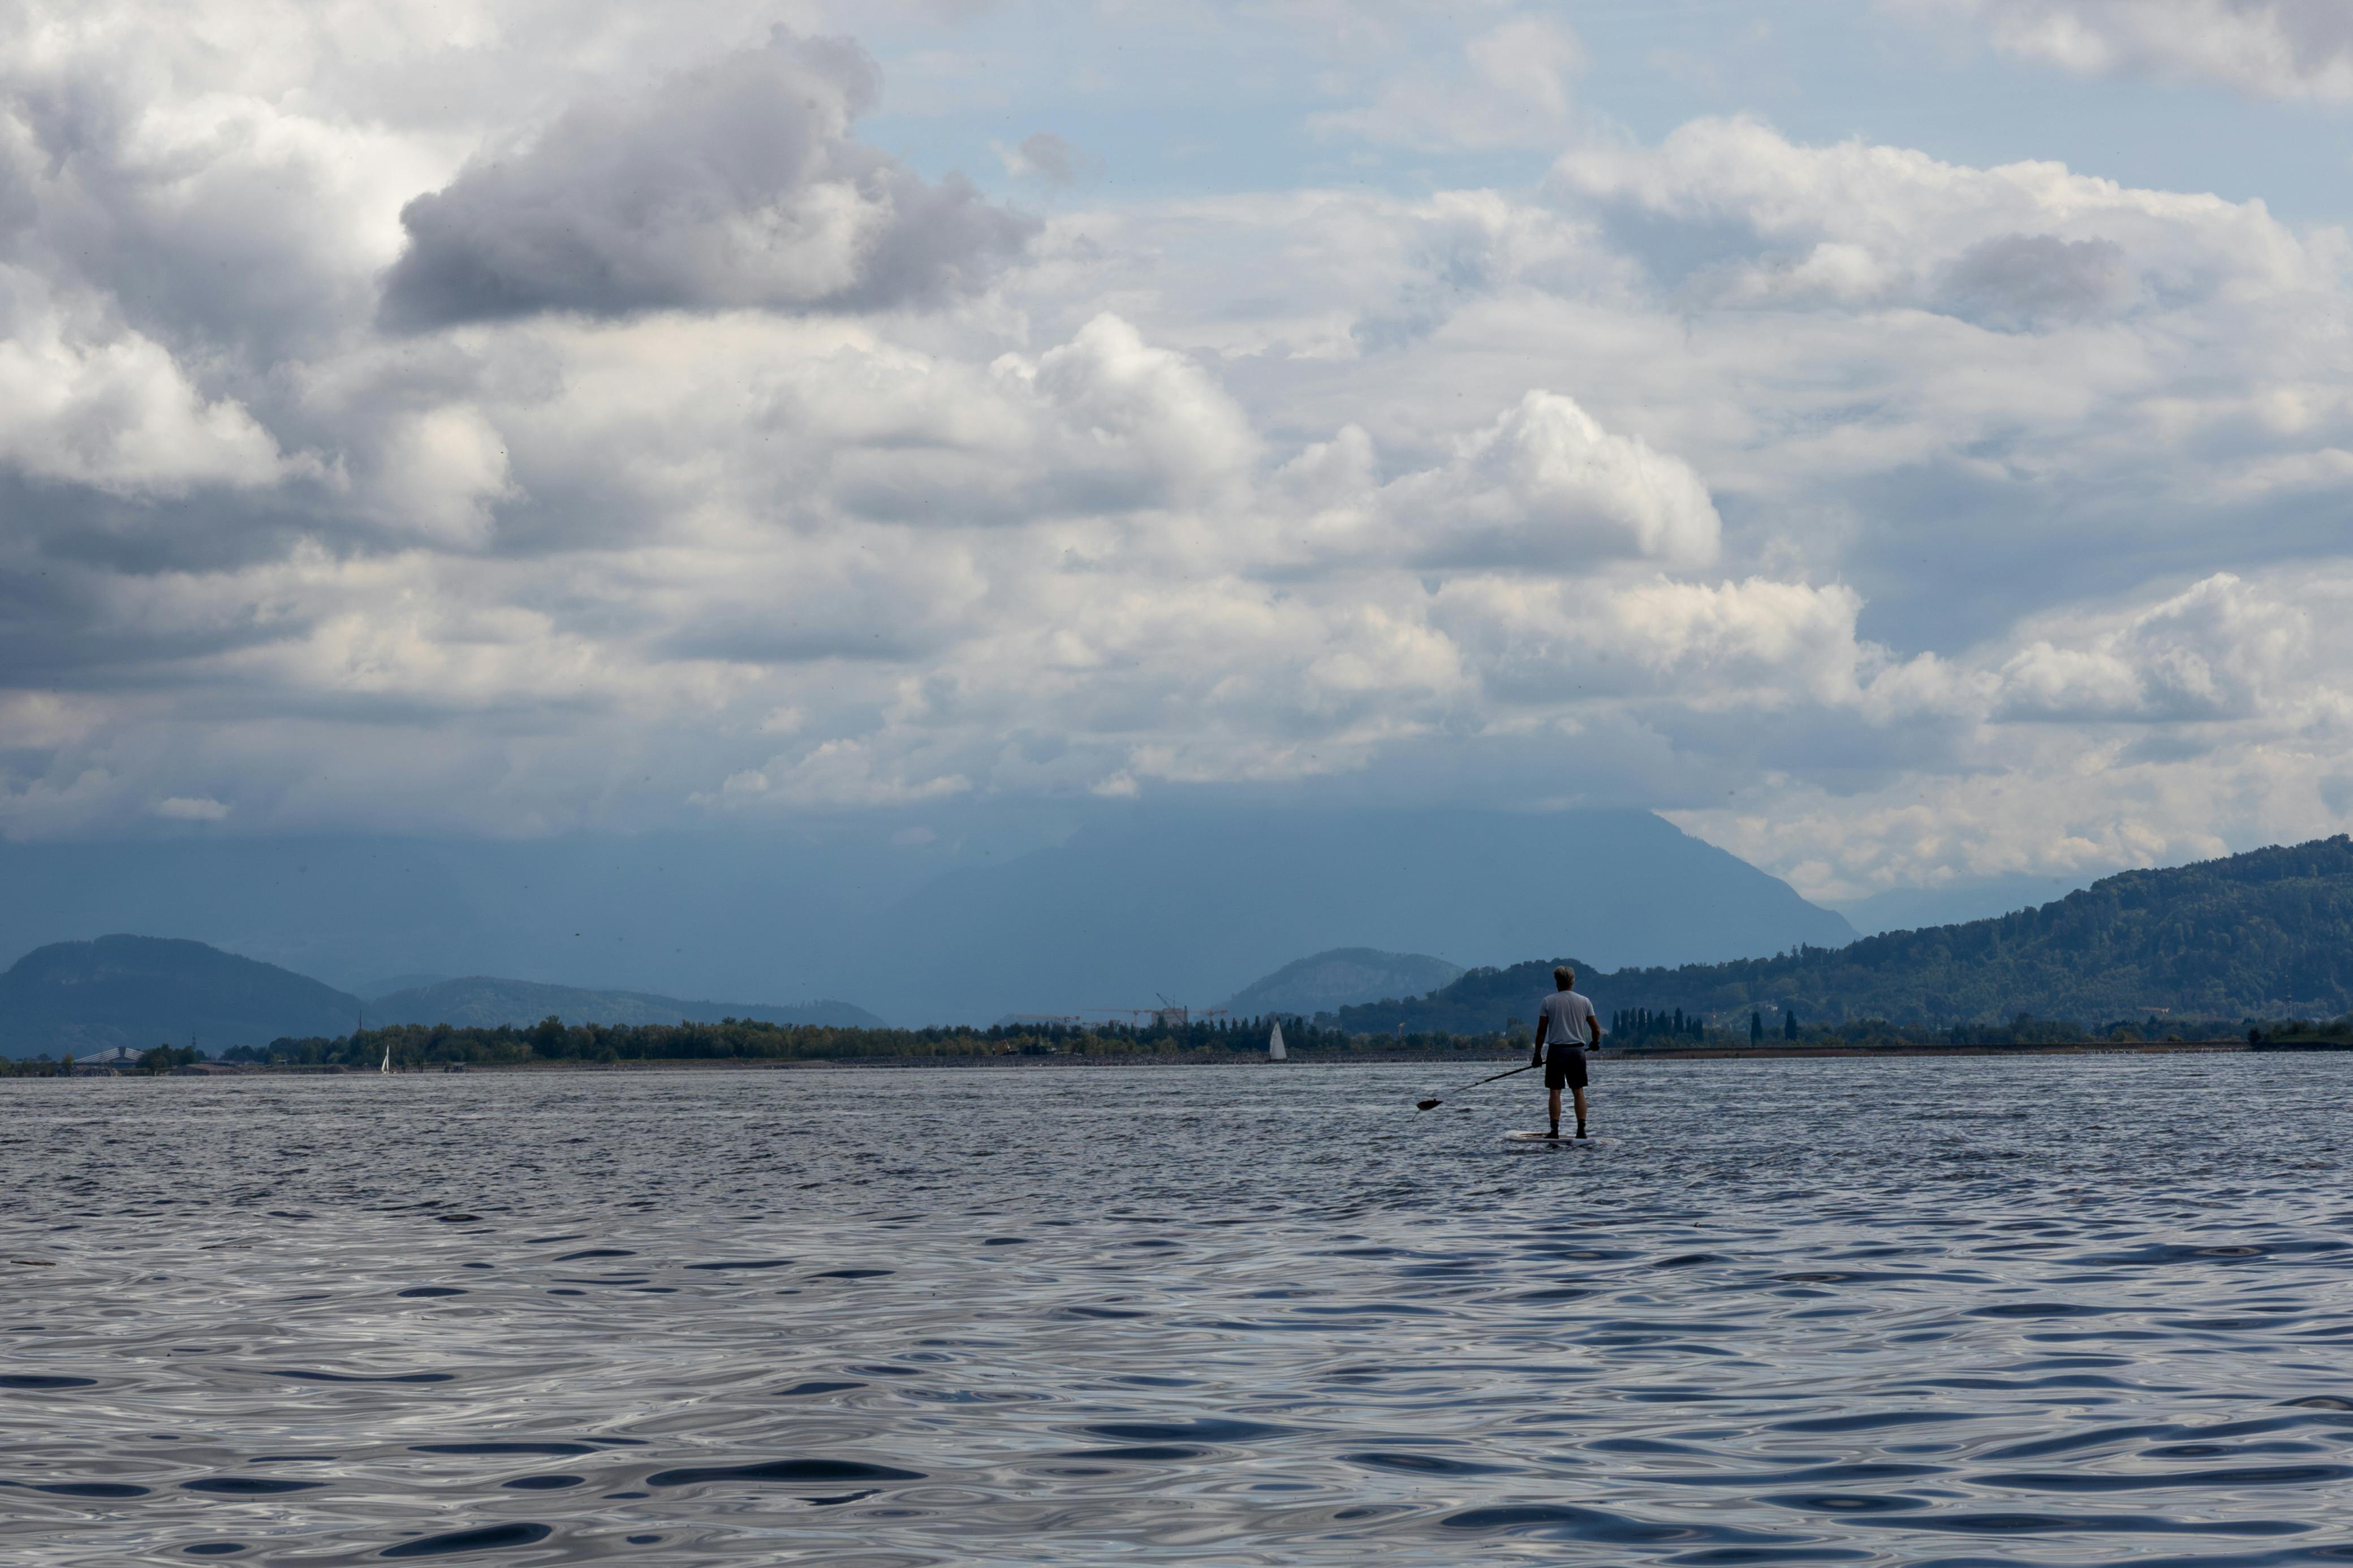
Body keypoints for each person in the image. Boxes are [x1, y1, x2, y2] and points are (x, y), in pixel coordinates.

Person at [1532, 965, 1598, 1139]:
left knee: (1555, 1091)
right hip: (1577, 1051)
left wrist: (1537, 1055)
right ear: (1573, 982)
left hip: (1557, 1052)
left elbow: (1541, 1031)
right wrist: (1596, 1043)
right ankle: (1581, 1130)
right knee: (1578, 1090)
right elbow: (1596, 1029)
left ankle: (1554, 1131)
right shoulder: (1585, 1001)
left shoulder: (1548, 1001)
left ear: (1557, 982)